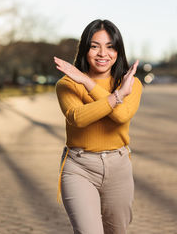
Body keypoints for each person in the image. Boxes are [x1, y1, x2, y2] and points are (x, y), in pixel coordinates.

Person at [54, 19, 142, 234]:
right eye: (95, 46)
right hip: (79, 167)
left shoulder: (130, 84)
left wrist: (88, 83)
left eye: (110, 46)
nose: (103, 53)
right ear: (85, 49)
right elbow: (78, 118)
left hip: (119, 167)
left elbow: (121, 116)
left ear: (118, 51)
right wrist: (117, 96)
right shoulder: (67, 84)